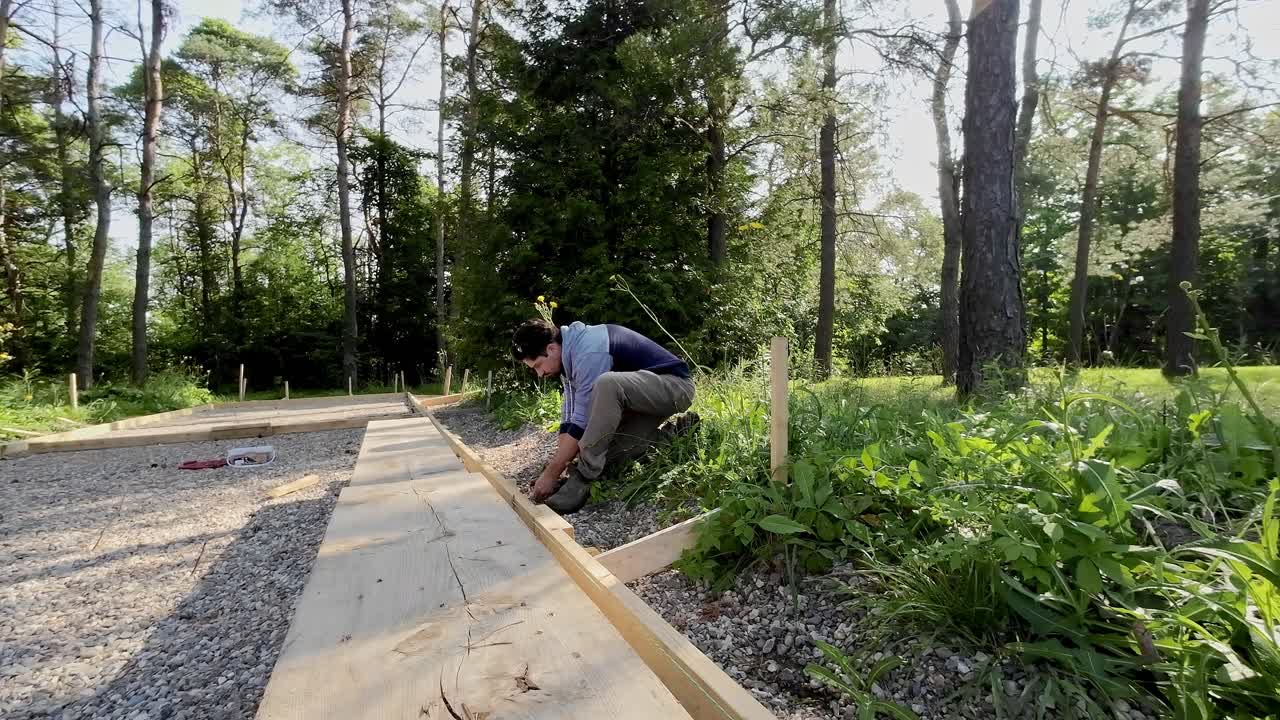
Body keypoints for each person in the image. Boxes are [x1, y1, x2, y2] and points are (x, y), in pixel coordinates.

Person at [511, 319, 696, 514]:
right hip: (642, 400)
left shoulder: (588, 351)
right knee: (609, 454)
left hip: (675, 388)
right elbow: (570, 418)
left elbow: (582, 422)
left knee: (607, 384)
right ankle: (675, 435)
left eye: (538, 366)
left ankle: (583, 476)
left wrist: (551, 472)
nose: (539, 374)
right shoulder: (567, 361)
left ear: (551, 349)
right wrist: (559, 468)